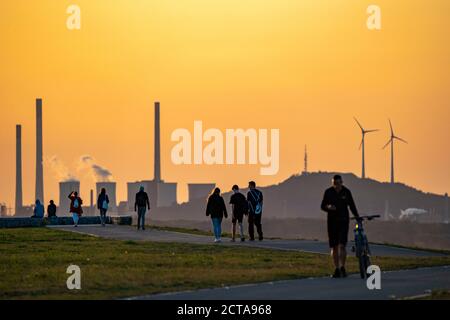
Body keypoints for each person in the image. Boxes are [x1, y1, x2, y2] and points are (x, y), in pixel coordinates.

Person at [321, 174, 359, 278]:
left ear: (342, 183)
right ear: (332, 183)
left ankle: (343, 267)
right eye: (334, 184)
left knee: (342, 245)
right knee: (334, 246)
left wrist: (357, 217)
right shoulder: (328, 192)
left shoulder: (346, 192)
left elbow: (352, 206)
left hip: (343, 221)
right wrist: (328, 207)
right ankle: (337, 268)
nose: (337, 186)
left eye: (338, 183)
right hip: (332, 222)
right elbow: (322, 206)